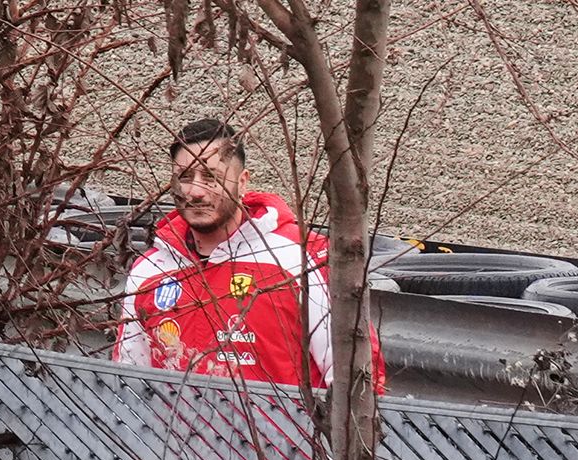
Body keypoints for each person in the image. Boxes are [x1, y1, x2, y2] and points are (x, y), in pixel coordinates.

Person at [114, 118, 384, 391]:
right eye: (185, 177)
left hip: (280, 433)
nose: (195, 191)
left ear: (242, 182)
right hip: (171, 434)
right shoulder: (149, 269)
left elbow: (356, 382)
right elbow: (129, 386)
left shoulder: (302, 258)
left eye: (211, 177)